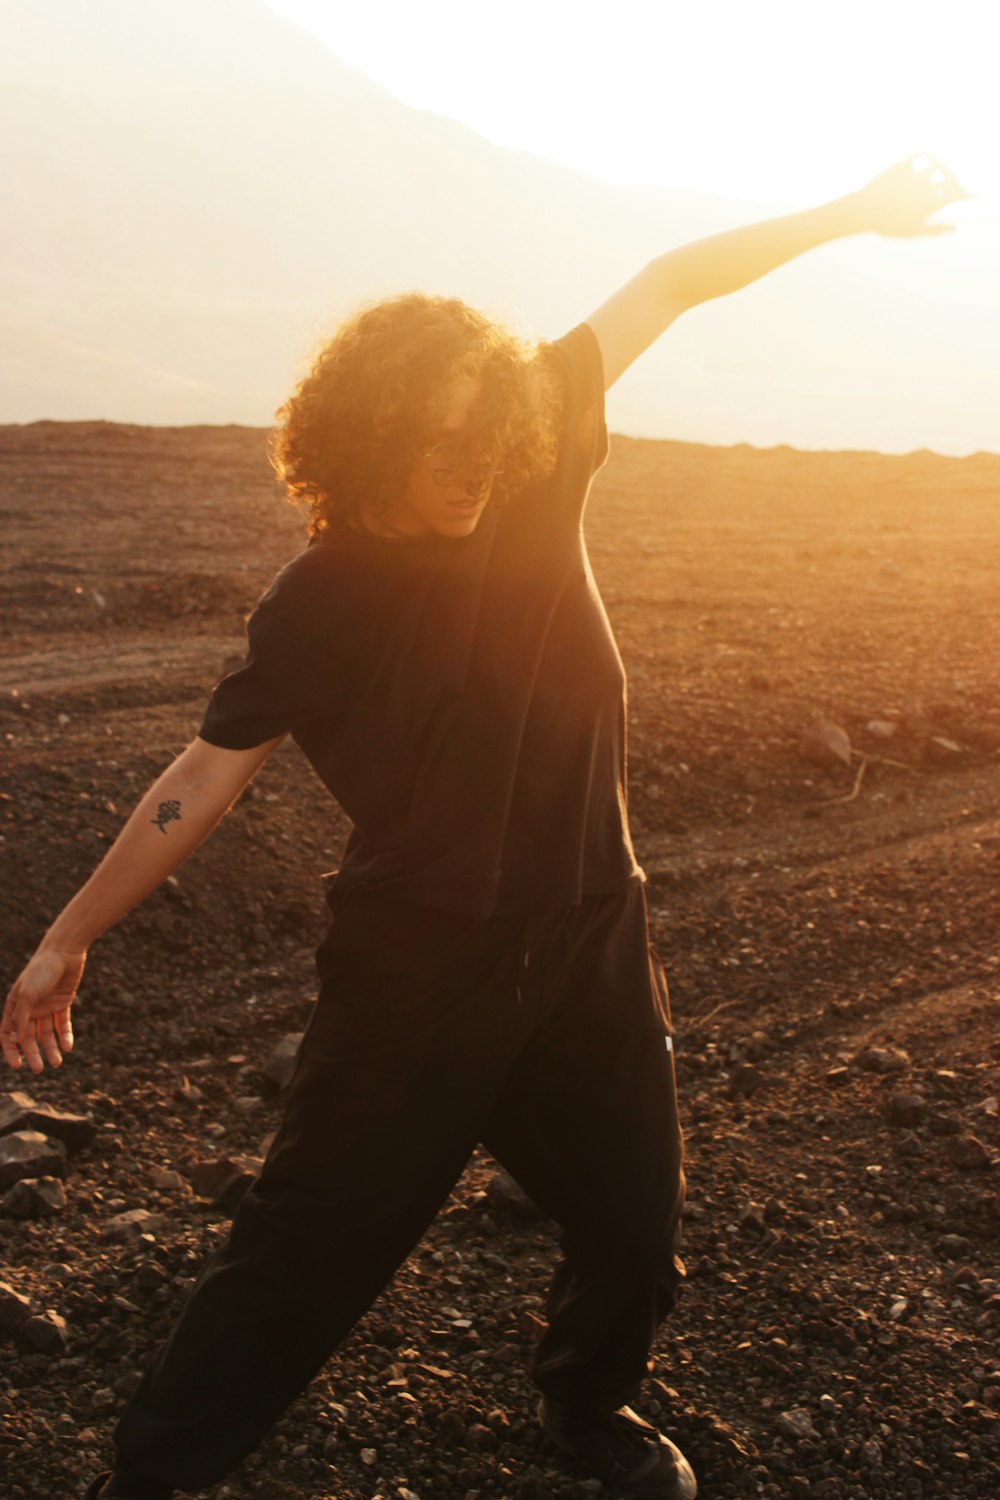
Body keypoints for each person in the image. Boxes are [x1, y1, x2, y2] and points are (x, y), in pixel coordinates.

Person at [2, 153, 968, 1500]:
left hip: (589, 936)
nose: (467, 469)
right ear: (365, 441)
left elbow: (674, 281)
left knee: (634, 1221)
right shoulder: (321, 598)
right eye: (433, 446)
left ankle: (589, 1411)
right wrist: (63, 939)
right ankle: (153, 1477)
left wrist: (854, 214)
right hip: (419, 975)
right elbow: (202, 779)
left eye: (483, 440)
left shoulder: (537, 455)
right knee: (309, 1249)